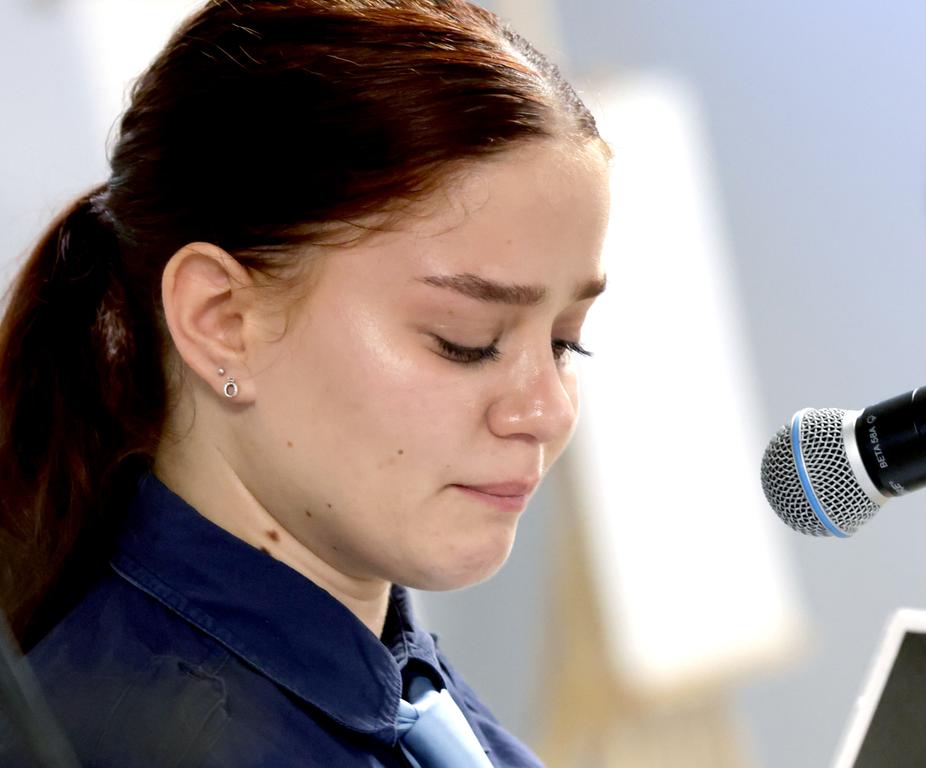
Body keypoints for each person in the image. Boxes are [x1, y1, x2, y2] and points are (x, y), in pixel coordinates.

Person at [0, 1, 611, 765]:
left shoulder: (395, 682)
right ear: (223, 319)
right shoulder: (160, 742)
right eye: (467, 342)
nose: (546, 412)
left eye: (565, 344)